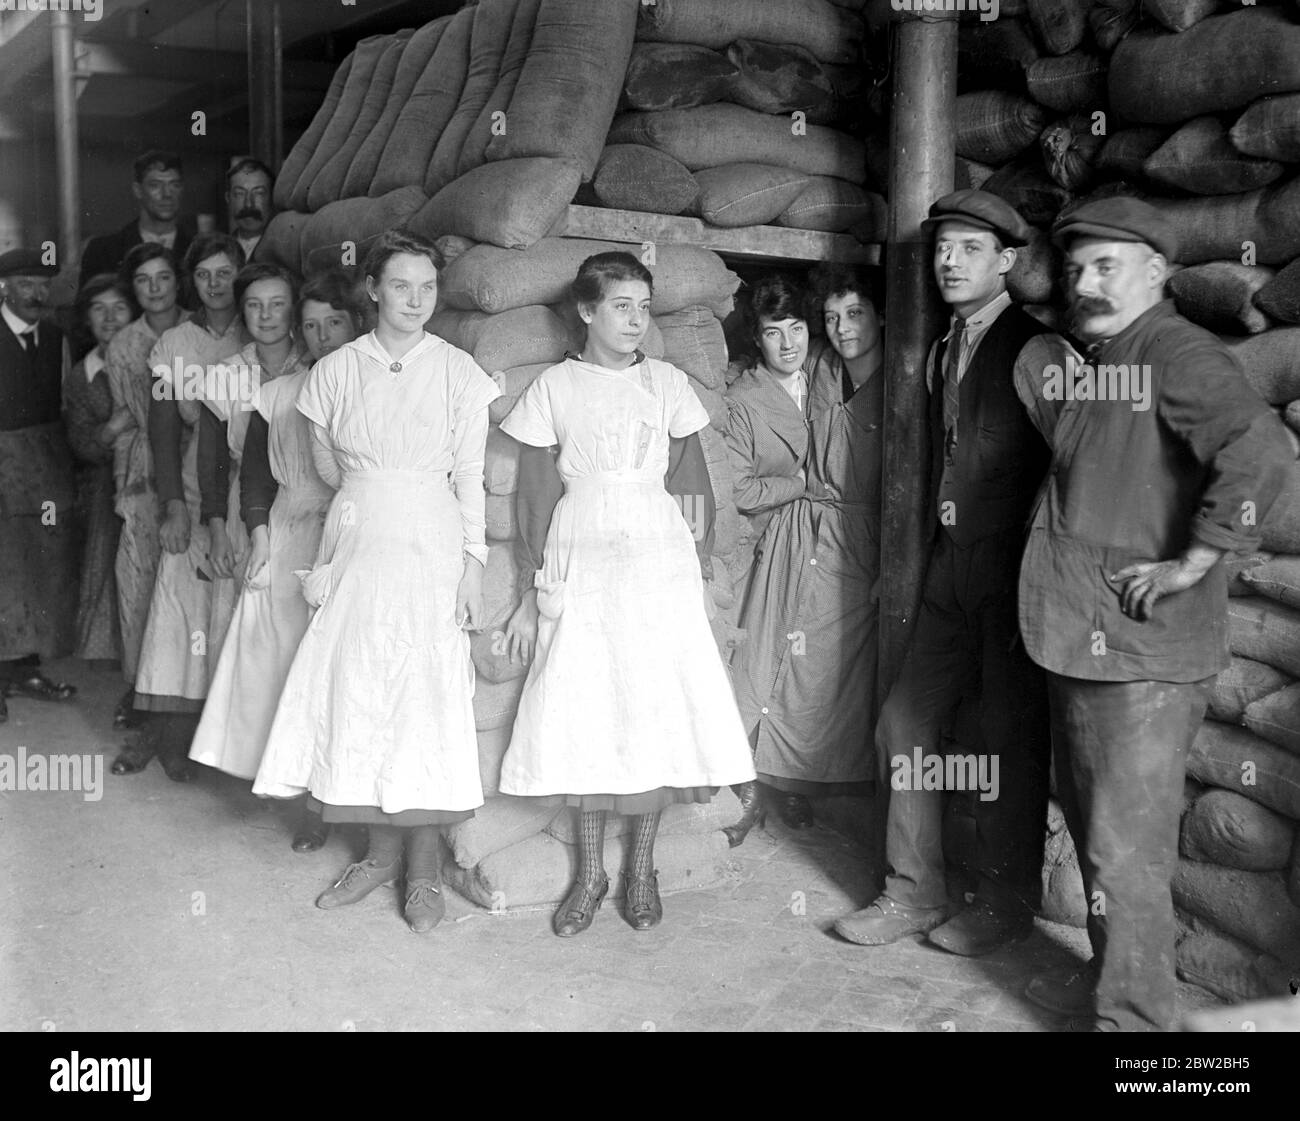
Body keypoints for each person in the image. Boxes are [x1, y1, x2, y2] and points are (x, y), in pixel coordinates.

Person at [1016, 198, 1293, 1031]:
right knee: (1100, 834)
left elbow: (1263, 449)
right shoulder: (1112, 358)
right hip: (1084, 641)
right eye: (1076, 268)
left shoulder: (1175, 352)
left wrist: (1198, 558)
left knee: (1125, 852)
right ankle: (1113, 981)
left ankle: (1135, 1029)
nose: (1085, 281)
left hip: (1143, 657)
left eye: (1107, 265)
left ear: (1156, 273)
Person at [497, 251, 755, 937]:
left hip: (655, 553)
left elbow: (694, 484)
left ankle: (642, 869)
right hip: (582, 546)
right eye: (621, 306)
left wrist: (695, 565)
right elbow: (534, 492)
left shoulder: (667, 383)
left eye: (644, 306)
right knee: (586, 708)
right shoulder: (557, 387)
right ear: (586, 310)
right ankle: (589, 874)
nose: (636, 319)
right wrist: (536, 581)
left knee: (651, 713)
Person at [254, 231, 499, 934]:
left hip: (433, 545)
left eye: (428, 288)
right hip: (359, 540)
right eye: (401, 286)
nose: (416, 301)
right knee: (360, 689)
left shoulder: (458, 371)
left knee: (423, 697)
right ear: (373, 290)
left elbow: (469, 476)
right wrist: (375, 496)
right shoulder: (334, 372)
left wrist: (475, 564)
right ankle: (377, 854)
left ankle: (423, 870)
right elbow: (330, 466)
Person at [834, 190, 1053, 957]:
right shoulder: (941, 349)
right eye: (941, 249)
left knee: (1003, 740)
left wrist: (1046, 565)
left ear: (1008, 262)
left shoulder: (1038, 352)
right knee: (904, 721)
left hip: (1014, 578)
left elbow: (1082, 461)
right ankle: (911, 892)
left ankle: (1003, 903)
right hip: (948, 571)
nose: (950, 262)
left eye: (968, 248)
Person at [190, 270, 357, 857]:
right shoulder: (277, 393)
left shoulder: (374, 388)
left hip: (351, 530)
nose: (322, 336)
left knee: (340, 667)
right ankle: (298, 798)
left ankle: (343, 795)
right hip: (290, 530)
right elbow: (254, 477)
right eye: (310, 326)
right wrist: (258, 535)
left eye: (333, 322)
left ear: (356, 321)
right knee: (282, 661)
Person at [723, 271, 883, 843]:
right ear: (756, 339)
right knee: (762, 657)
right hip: (784, 531)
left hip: (840, 535)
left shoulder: (824, 366)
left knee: (815, 671)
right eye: (773, 333)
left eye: (797, 329)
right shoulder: (743, 396)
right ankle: (744, 787)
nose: (789, 343)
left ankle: (787, 781)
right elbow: (742, 489)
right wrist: (799, 484)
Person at [115, 234, 249, 780]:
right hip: (194, 486)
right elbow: (164, 431)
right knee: (180, 609)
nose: (216, 285)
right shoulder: (176, 343)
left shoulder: (260, 328)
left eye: (225, 274)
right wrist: (172, 505)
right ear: (191, 282)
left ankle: (225, 743)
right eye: (204, 275)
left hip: (252, 489)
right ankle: (173, 735)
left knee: (233, 610)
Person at [104, 244, 188, 732]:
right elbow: (127, 424)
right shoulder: (124, 345)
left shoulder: (194, 330)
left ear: (177, 281)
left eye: (162, 278)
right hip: (144, 469)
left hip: (195, 463)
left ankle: (188, 695)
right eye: (143, 281)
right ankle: (138, 688)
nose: (154, 289)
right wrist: (123, 488)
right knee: (137, 584)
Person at [0, 248, 79, 724]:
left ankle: (26, 668)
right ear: (4, 288)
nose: (36, 292)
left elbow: (64, 407)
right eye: (25, 282)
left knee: (38, 568)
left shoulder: (55, 338)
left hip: (43, 468)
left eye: (42, 283)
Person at [62, 275, 135, 669]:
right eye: (98, 309)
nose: (109, 318)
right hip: (103, 485)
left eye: (119, 307)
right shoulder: (81, 375)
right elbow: (82, 444)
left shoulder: (152, 358)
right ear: (86, 319)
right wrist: (113, 429)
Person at [79, 151, 195, 291]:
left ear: (182, 189)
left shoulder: (197, 251)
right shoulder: (103, 251)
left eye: (174, 185)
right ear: (138, 190)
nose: (167, 194)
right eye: (155, 185)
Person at [226, 157, 274, 263]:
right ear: (228, 198)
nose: (248, 204)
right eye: (240, 193)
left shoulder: (284, 251)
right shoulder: (221, 250)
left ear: (272, 198)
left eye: (258, 193)